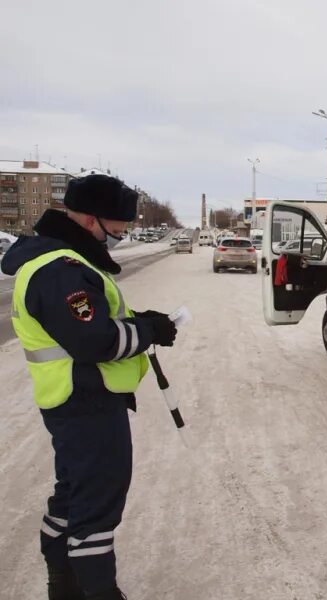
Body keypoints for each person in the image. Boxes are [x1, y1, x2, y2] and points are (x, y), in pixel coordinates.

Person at [0, 174, 178, 600]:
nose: (118, 238)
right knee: (96, 507)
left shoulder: (65, 263)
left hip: (77, 401)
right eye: (115, 230)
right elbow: (95, 340)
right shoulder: (60, 269)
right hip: (86, 403)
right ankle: (95, 590)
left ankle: (61, 580)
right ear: (88, 218)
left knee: (74, 495)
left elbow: (97, 320)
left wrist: (141, 321)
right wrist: (147, 332)